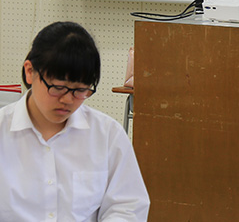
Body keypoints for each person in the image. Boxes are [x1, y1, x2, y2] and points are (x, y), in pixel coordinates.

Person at [0, 21, 150, 221]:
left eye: (80, 90)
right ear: (30, 72)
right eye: (58, 87)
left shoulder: (107, 135)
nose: (68, 100)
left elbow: (127, 207)